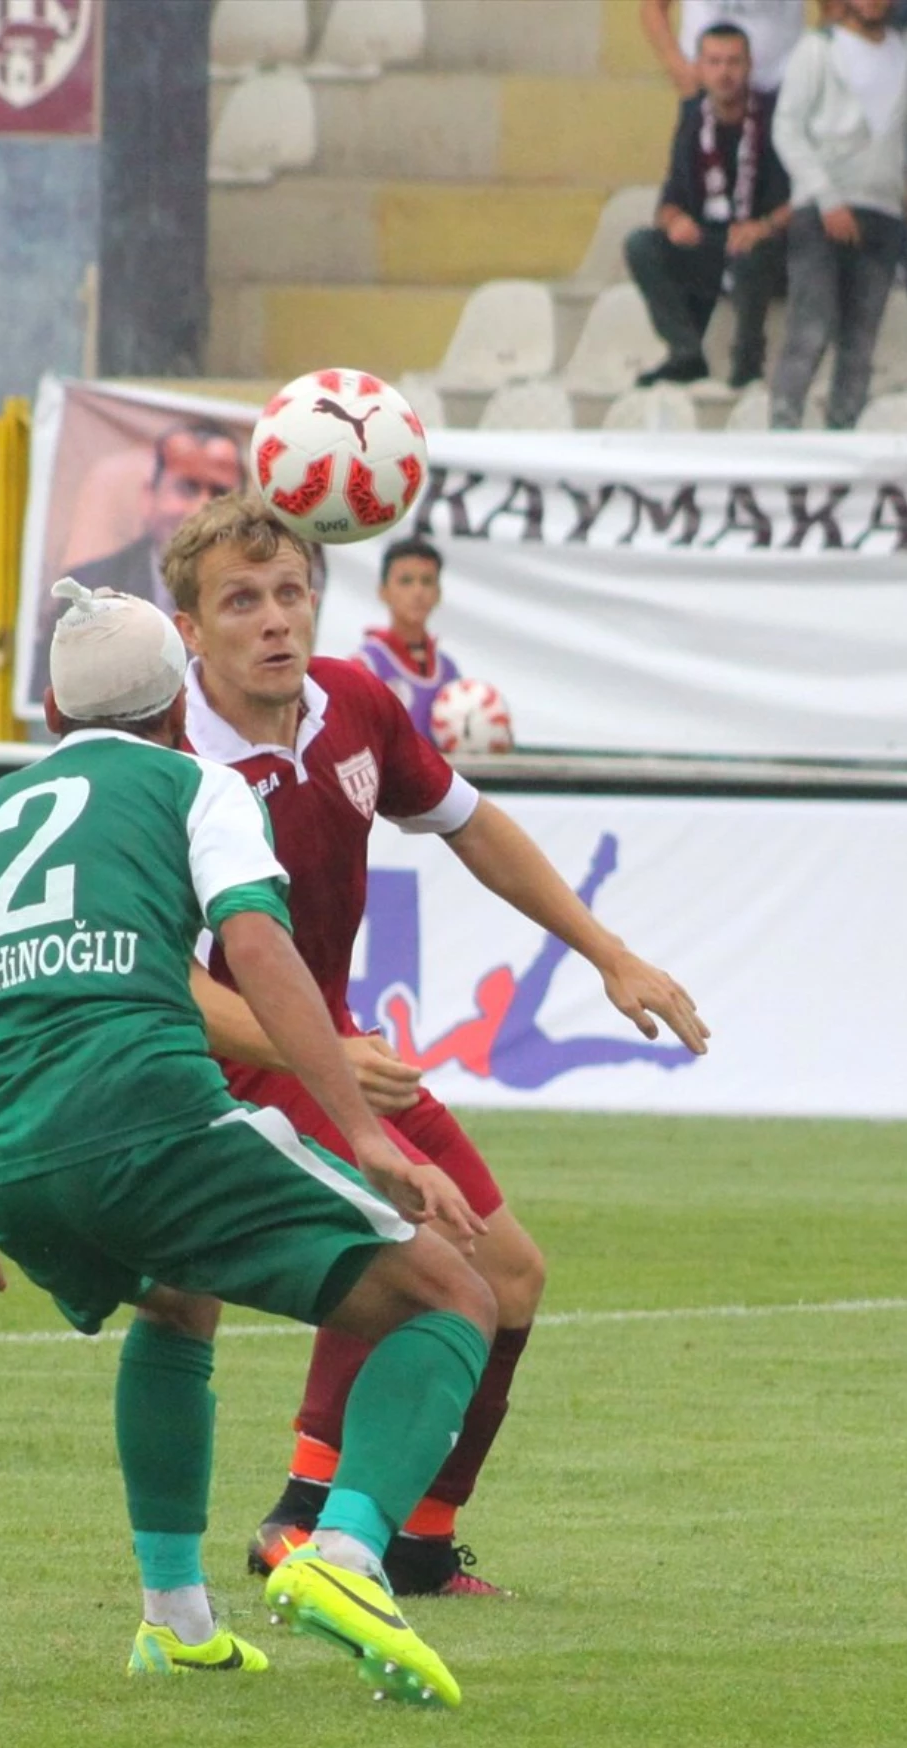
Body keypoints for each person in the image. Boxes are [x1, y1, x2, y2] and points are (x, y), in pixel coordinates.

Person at [0, 579, 500, 1709]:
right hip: (140, 1111)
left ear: (51, 712)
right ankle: (342, 1555)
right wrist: (363, 1128)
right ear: (178, 708)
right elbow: (261, 951)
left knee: (179, 1296)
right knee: (452, 1297)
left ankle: (176, 1624)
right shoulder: (198, 782)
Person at [160, 493, 710, 1598]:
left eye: (290, 593)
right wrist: (305, 1044)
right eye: (240, 601)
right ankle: (308, 1517)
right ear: (189, 629)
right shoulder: (166, 759)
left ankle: (414, 1536)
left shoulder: (356, 705)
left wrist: (607, 950)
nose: (274, 620)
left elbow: (470, 823)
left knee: (510, 1276)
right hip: (219, 1068)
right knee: (419, 1266)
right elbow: (156, 972)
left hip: (338, 1053)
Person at [27, 422, 247, 703]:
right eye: (187, 488)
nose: (201, 509)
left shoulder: (269, 594)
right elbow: (52, 704)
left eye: (219, 494)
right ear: (148, 497)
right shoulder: (87, 592)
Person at [770, 0, 907, 430]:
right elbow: (787, 127)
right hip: (823, 207)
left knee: (860, 341)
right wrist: (827, 197)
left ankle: (842, 435)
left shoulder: (904, 54)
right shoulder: (818, 49)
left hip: (883, 209)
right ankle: (783, 428)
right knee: (811, 328)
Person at [627, 22, 792, 387]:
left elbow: (801, 200)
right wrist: (675, 223)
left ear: (749, 67)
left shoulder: (776, 117)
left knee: (752, 253)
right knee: (641, 244)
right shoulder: (692, 118)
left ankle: (747, 363)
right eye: (714, 62)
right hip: (713, 245)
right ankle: (685, 352)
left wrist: (761, 227)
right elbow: (669, 202)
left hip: (767, 249)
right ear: (699, 68)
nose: (724, 73)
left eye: (734, 62)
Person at [353, 537, 462, 744]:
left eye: (427, 581)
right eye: (406, 581)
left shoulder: (448, 671)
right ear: (383, 591)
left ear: (438, 593)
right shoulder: (365, 667)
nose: (418, 592)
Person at [640, 0, 809, 95]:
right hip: (706, 88)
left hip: (778, 86)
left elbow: (834, 7)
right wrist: (679, 69)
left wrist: (815, 63)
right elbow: (653, 7)